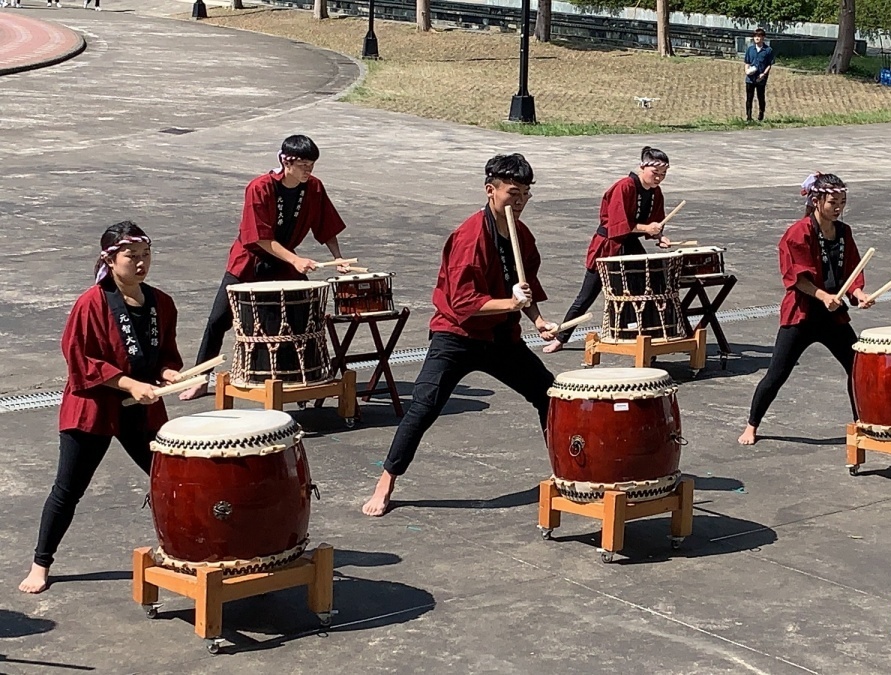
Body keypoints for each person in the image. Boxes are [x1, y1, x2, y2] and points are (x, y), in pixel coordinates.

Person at [362, 154, 559, 516]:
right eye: (512, 193)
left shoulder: (522, 236)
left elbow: (524, 290)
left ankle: (566, 471)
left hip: (501, 338)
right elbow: (465, 303)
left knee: (548, 394)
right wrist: (511, 304)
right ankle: (387, 479)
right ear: (490, 190)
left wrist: (538, 320)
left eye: (525, 195)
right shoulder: (469, 236)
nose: (519, 202)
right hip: (458, 336)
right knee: (424, 405)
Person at [19, 222, 183, 594]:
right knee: (68, 488)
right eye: (131, 257)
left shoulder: (161, 302)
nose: (141, 264)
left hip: (141, 408)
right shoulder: (91, 303)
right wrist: (129, 383)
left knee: (170, 480)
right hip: (93, 407)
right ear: (110, 260)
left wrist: (170, 373)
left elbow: (165, 355)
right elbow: (79, 359)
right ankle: (40, 563)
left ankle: (185, 550)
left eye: (146, 256)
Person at [179, 135, 349, 400]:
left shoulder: (313, 187)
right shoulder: (259, 187)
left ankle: (305, 375)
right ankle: (201, 380)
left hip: (285, 261)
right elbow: (259, 237)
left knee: (307, 315)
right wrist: (295, 260)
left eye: (311, 164)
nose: (308, 170)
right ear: (285, 160)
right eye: (303, 164)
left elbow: (325, 225)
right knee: (217, 320)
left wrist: (338, 257)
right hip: (250, 260)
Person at [738, 173, 875, 446]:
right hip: (802, 313)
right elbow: (797, 278)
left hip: (832, 315)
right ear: (816, 201)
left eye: (842, 202)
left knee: (858, 368)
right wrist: (824, 295)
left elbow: (851, 270)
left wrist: (858, 293)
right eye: (833, 202)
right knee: (777, 374)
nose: (838, 208)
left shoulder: (844, 232)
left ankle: (861, 421)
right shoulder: (798, 233)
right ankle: (752, 424)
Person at [544, 147, 672, 354]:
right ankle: (561, 338)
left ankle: (640, 336)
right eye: (655, 173)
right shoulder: (624, 186)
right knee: (587, 295)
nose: (658, 178)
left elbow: (653, 222)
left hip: (630, 245)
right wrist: (648, 229)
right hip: (608, 244)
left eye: (663, 175)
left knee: (645, 290)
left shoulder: (655, 192)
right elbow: (617, 225)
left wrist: (659, 236)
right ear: (642, 167)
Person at [744, 28, 775, 122]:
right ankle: (748, 116)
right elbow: (747, 62)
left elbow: (769, 64)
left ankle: (761, 114)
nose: (757, 38)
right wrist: (747, 71)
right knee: (749, 97)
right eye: (755, 36)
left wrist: (764, 74)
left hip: (761, 78)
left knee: (761, 96)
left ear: (763, 37)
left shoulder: (768, 50)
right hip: (750, 78)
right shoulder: (750, 49)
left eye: (759, 36)